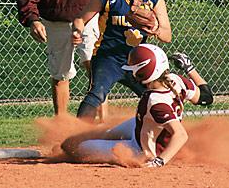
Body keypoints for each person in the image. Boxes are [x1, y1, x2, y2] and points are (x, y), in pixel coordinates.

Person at [61, 44, 214, 167]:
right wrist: (189, 68)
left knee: (77, 149)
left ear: (143, 72)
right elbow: (206, 98)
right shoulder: (175, 79)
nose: (132, 72)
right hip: (145, 128)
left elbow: (180, 135)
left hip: (142, 149)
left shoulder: (155, 101)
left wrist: (159, 161)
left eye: (135, 68)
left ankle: (79, 144)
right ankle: (87, 138)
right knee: (104, 133)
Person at [72, 0, 172, 121]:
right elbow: (80, 19)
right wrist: (77, 31)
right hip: (108, 57)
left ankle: (164, 137)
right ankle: (74, 138)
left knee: (158, 95)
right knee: (97, 93)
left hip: (138, 59)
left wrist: (155, 29)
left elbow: (167, 36)